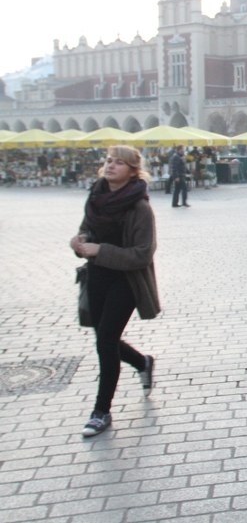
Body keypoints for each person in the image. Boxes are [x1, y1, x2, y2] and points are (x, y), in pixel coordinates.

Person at [69, 145, 160, 437]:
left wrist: (100, 250)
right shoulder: (96, 196)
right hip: (96, 277)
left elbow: (142, 254)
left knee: (106, 340)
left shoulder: (140, 207)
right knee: (104, 337)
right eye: (109, 161)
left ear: (132, 171)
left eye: (119, 163)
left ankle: (101, 411)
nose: (110, 166)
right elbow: (87, 229)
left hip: (127, 281)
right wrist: (80, 241)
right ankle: (142, 362)